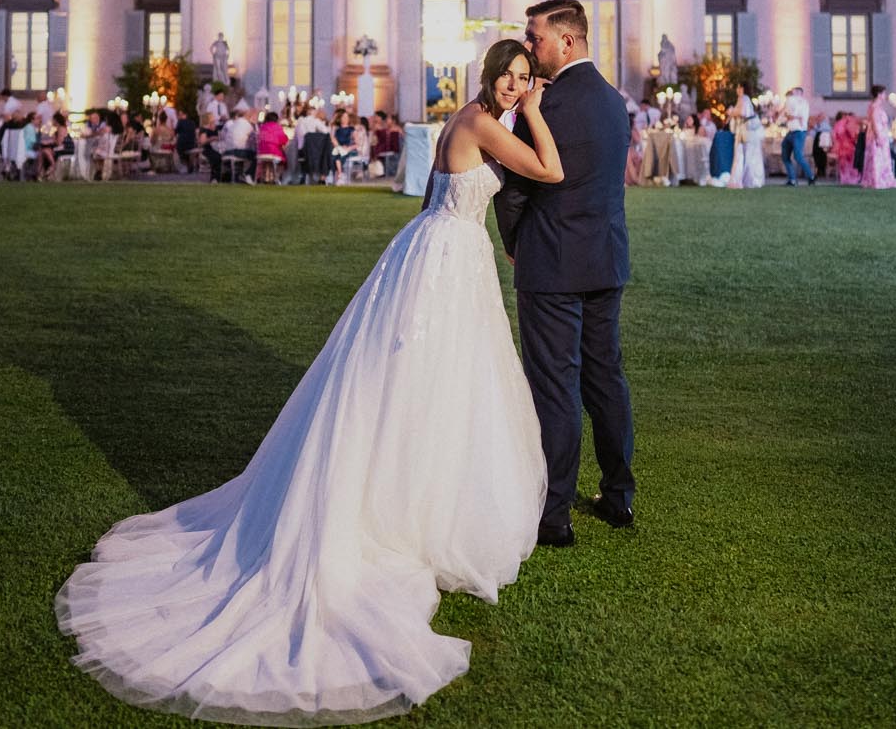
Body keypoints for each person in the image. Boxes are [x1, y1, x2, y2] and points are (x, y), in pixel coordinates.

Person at [59, 40, 560, 723]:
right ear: (492, 75)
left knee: (421, 383)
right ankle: (406, 514)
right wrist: (537, 112)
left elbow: (433, 198)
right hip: (447, 256)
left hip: (435, 250)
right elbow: (550, 169)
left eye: (525, 79)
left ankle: (415, 495)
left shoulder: (462, 118)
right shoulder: (481, 121)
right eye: (510, 77)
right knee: (429, 380)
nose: (515, 86)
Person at [491, 1, 638, 542]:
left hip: (551, 262)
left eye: (536, 38)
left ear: (567, 41)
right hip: (604, 259)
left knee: (555, 387)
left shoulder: (543, 107)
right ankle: (619, 497)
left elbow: (514, 191)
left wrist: (515, 245)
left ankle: (553, 515)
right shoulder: (615, 102)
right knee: (605, 378)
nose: (530, 48)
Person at [861, 85, 896, 189]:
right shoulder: (875, 107)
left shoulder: (874, 106)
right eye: (884, 93)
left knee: (880, 157)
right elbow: (874, 122)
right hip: (877, 134)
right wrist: (878, 136)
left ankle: (878, 179)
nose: (885, 96)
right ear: (879, 94)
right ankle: (877, 180)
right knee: (877, 157)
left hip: (879, 133)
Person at [731, 84, 765, 189]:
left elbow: (743, 113)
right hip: (746, 132)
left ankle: (747, 180)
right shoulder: (745, 99)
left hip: (746, 132)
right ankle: (747, 179)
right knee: (746, 155)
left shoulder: (744, 98)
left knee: (745, 155)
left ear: (742, 88)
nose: (737, 89)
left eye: (738, 87)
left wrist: (732, 112)